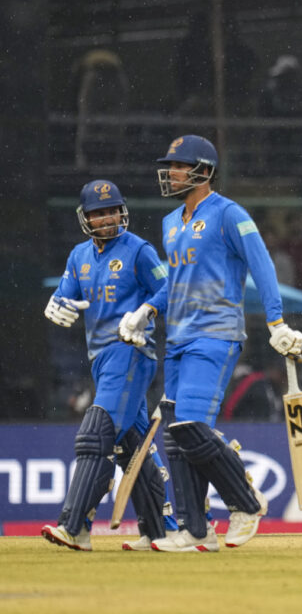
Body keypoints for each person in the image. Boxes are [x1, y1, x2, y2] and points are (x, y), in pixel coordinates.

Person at [118, 135, 302, 552]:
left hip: (216, 333)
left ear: (202, 170)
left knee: (188, 425)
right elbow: (176, 283)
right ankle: (195, 529)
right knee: (173, 431)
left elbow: (262, 265)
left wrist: (276, 321)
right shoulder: (170, 223)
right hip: (179, 339)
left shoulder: (229, 214)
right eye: (169, 166)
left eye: (178, 166)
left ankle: (245, 500)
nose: (170, 173)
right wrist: (147, 310)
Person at [41, 180, 178, 552]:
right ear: (85, 218)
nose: (107, 218)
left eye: (112, 210)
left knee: (94, 436)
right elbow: (66, 296)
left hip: (131, 351)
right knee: (130, 447)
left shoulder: (138, 251)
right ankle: (162, 529)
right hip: (99, 359)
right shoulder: (78, 256)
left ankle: (75, 526)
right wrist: (57, 305)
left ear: (122, 211)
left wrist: (144, 311)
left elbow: (169, 289)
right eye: (98, 213)